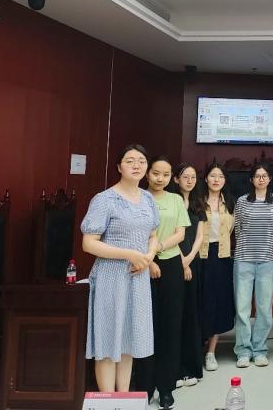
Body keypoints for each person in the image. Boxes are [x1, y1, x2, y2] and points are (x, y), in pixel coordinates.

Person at [81, 143, 158, 393]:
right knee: (107, 342)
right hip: (110, 277)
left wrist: (148, 256)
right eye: (130, 161)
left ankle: (123, 399)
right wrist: (129, 254)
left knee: (128, 341)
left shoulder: (147, 198)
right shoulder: (104, 199)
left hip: (138, 276)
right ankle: (107, 401)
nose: (137, 165)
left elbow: (153, 235)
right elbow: (88, 244)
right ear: (119, 167)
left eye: (142, 161)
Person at [134, 156, 190, 410]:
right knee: (146, 325)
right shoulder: (138, 197)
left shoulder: (176, 199)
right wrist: (149, 259)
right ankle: (144, 386)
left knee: (170, 325)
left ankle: (166, 386)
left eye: (166, 175)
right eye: (156, 173)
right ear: (147, 173)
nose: (160, 178)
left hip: (171, 264)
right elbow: (135, 234)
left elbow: (181, 233)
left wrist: (158, 248)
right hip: (142, 265)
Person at [233, 163, 273, 367]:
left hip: (266, 260)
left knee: (264, 308)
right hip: (243, 259)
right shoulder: (242, 201)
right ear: (251, 180)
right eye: (257, 176)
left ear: (270, 179)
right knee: (242, 308)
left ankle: (260, 349)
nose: (261, 179)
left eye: (264, 176)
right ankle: (243, 351)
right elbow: (237, 228)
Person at [172, 163, 206, 389]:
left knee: (190, 314)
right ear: (176, 179)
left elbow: (199, 236)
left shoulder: (198, 204)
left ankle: (190, 367)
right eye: (185, 177)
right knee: (174, 315)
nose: (190, 181)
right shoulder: (170, 202)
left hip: (193, 262)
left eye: (193, 177)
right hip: (171, 260)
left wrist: (189, 259)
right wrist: (180, 261)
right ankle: (172, 369)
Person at [199, 162, 235, 372]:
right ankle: (197, 346)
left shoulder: (229, 202)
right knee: (201, 301)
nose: (216, 179)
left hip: (221, 257)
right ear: (206, 178)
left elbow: (232, 230)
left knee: (218, 302)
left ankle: (211, 352)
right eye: (213, 175)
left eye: (220, 176)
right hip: (200, 256)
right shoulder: (197, 201)